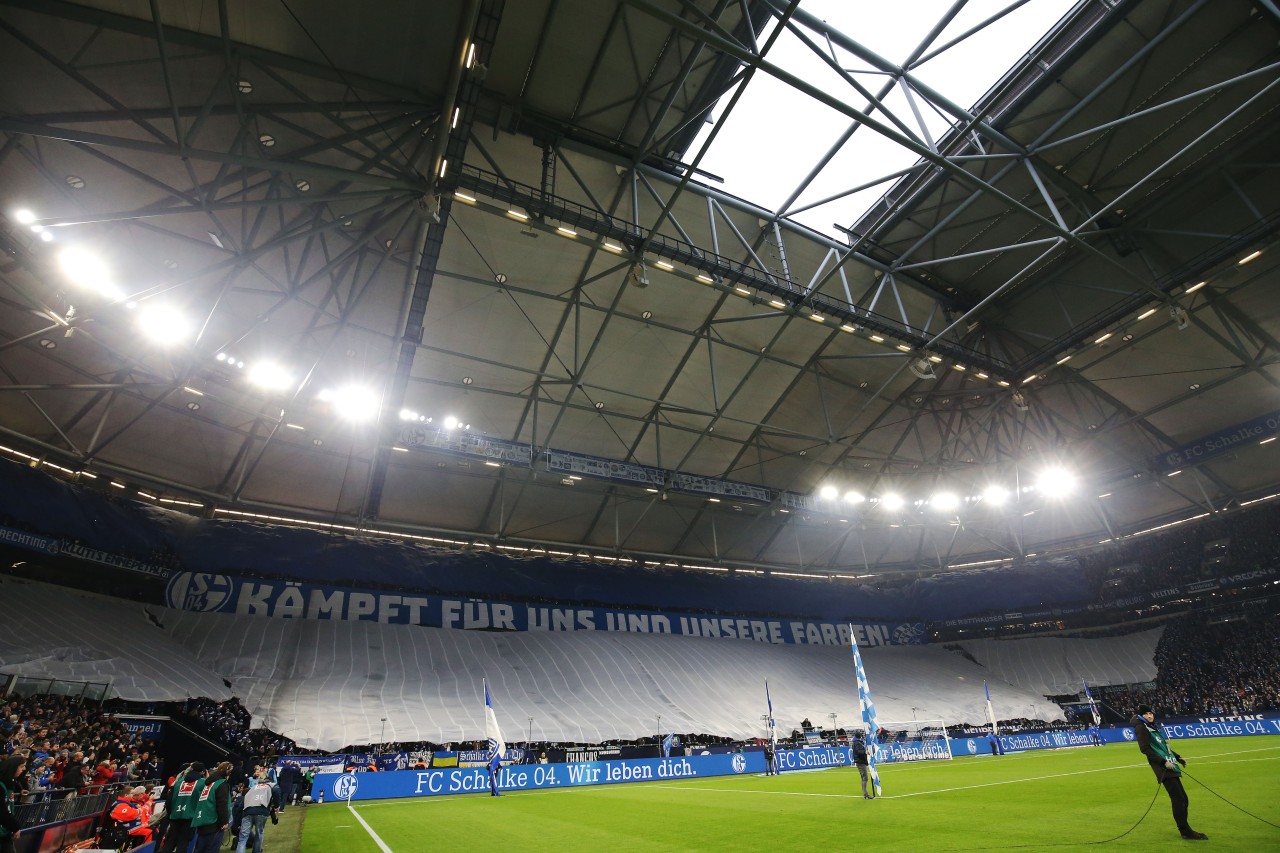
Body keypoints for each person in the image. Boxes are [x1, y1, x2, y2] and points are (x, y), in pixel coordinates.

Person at [1131, 705, 1206, 841]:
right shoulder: (1141, 728)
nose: (1150, 716)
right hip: (1163, 768)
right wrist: (1163, 762)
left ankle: (1185, 829)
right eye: (1147, 714)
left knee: (1184, 799)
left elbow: (1164, 746)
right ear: (1142, 716)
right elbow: (1145, 749)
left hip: (1170, 765)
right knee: (1178, 799)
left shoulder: (1151, 727)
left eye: (1151, 713)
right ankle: (1185, 831)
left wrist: (1177, 757)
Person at [157, 762, 204, 853]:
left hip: (175, 816)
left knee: (169, 843)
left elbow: (169, 801)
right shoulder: (202, 783)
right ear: (202, 771)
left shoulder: (179, 782)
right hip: (190, 817)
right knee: (183, 844)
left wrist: (171, 814)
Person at [190, 761, 232, 853]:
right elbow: (222, 804)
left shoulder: (209, 783)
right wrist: (224, 822)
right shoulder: (221, 784)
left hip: (202, 821)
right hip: (214, 822)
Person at [235, 773, 279, 853]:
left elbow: (241, 805)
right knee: (259, 835)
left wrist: (237, 822)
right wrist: (277, 805)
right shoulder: (270, 786)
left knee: (243, 838)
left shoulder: (253, 788)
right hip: (261, 812)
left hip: (247, 811)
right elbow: (276, 790)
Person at [0, 755, 26, 853]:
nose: (24, 769)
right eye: (21, 766)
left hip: (5, 831)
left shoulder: (9, 782)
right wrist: (15, 827)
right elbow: (2, 812)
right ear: (13, 767)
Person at [851, 733, 873, 800]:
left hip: (860, 762)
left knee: (863, 777)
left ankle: (865, 792)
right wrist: (865, 752)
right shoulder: (857, 743)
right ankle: (865, 794)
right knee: (865, 778)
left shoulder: (856, 743)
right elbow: (858, 751)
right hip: (861, 762)